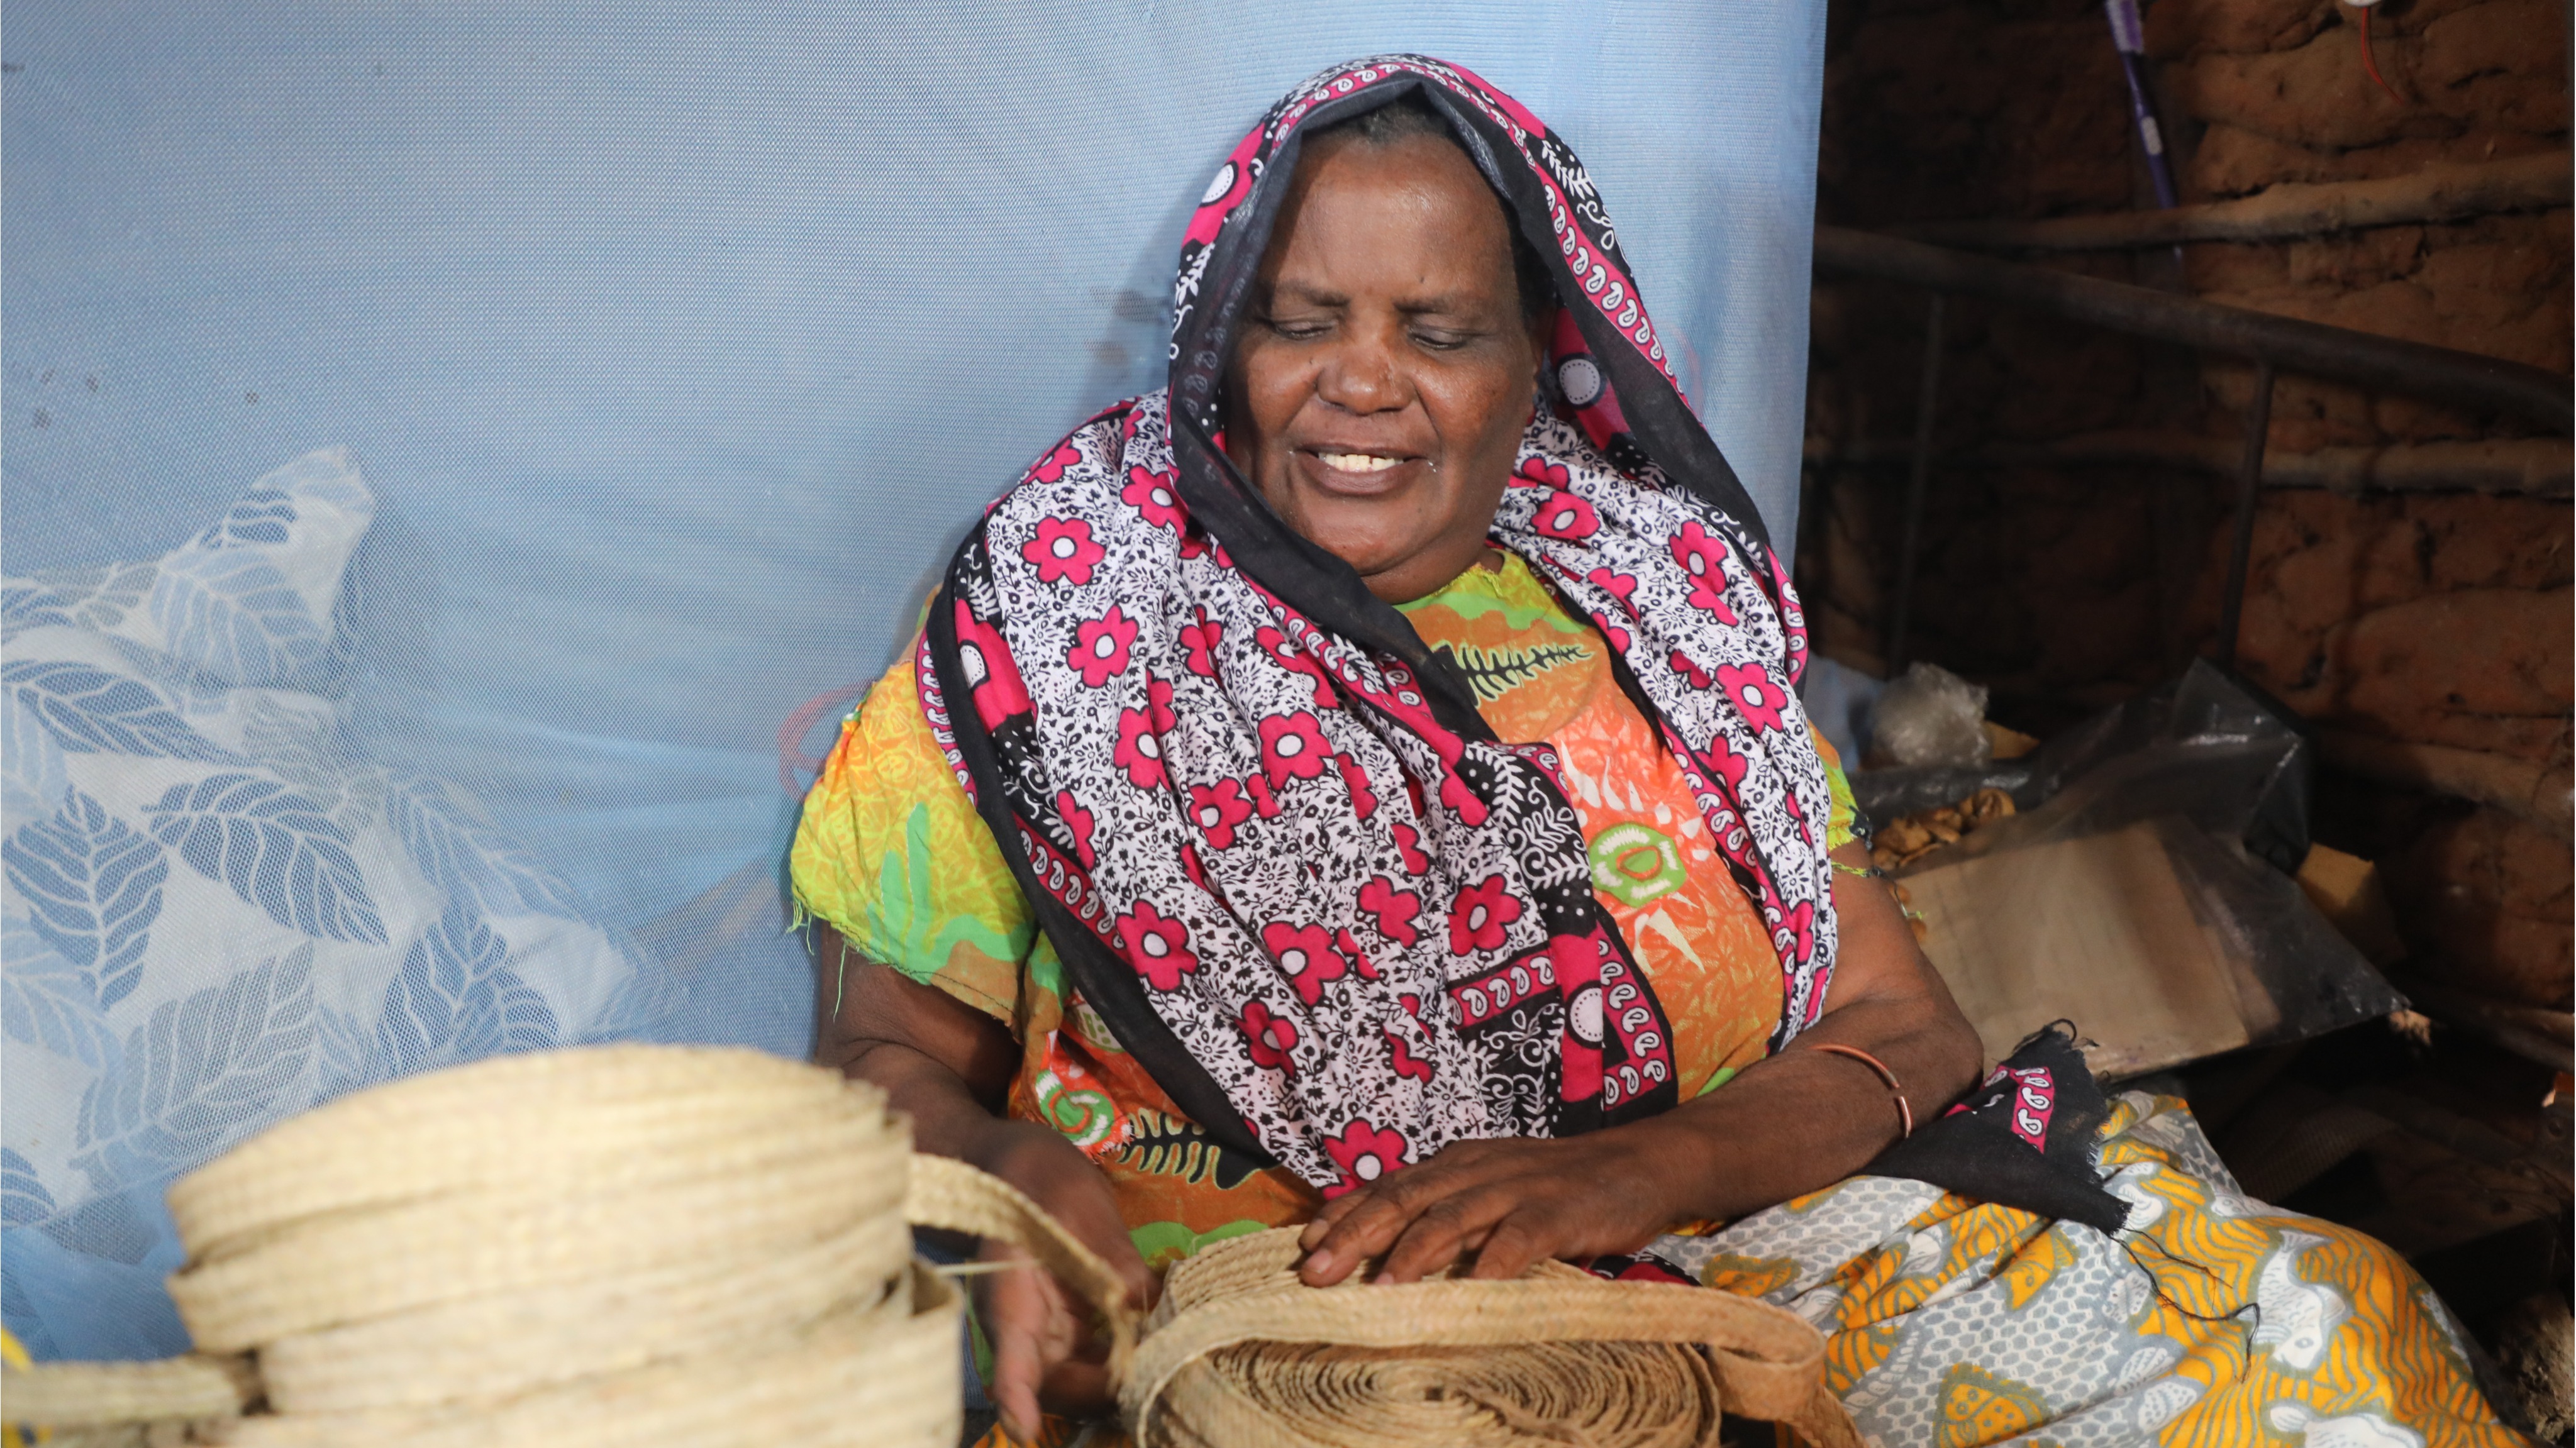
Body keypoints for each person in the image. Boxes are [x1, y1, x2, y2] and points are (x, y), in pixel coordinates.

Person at [793, 57, 2519, 1448]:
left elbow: (1900, 1024)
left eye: (1438, 329)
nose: (1361, 385)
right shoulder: (1054, 624)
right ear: (1219, 338)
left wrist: (1626, 1171)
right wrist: (1013, 1189)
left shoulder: (1660, 603)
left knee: (2308, 1329)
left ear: (1536, 351)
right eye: (1301, 316)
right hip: (1303, 1352)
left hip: (1745, 1238)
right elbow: (887, 1055)